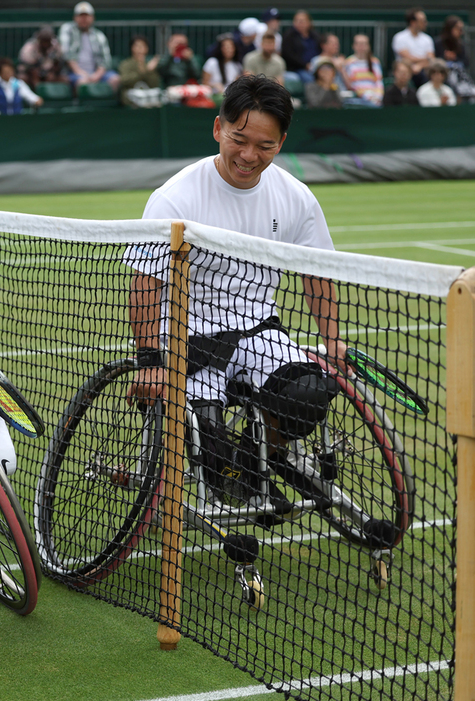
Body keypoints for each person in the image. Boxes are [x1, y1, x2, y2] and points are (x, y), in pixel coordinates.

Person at [124, 73, 346, 510]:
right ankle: (239, 466)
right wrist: (150, 361)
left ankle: (258, 459)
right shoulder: (174, 198)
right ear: (218, 129)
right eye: (239, 139)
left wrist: (333, 339)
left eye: (265, 146)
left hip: (260, 333)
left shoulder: (297, 198)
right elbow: (146, 282)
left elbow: (316, 272)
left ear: (281, 142)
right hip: (187, 343)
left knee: (310, 393)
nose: (249, 156)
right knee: (209, 447)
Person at [58, 1, 120, 91]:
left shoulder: (99, 36)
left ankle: (107, 104)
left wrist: (96, 75)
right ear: (75, 18)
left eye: (87, 16)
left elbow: (106, 61)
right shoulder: (67, 30)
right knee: (83, 82)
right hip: (73, 73)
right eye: (81, 16)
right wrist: (81, 73)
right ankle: (79, 104)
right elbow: (66, 55)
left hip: (95, 72)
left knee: (115, 79)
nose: (84, 19)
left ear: (92, 18)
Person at [436, 16, 475, 104]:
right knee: (454, 69)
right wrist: (445, 57)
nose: (461, 32)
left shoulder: (461, 44)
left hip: (459, 74)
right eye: (459, 29)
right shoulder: (439, 42)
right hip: (444, 73)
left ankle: (470, 94)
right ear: (450, 29)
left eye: (462, 29)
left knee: (457, 69)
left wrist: (454, 58)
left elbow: (466, 62)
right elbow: (435, 60)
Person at [391, 7, 435, 87]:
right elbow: (408, 58)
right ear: (413, 22)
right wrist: (425, 59)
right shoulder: (399, 37)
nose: (425, 23)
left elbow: (431, 59)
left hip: (424, 70)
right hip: (407, 70)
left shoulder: (427, 39)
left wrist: (419, 66)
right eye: (422, 21)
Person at [17, 25, 67, 91]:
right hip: (30, 74)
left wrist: (53, 71)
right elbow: (28, 67)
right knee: (23, 78)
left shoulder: (56, 45)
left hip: (49, 73)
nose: (45, 44)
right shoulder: (29, 47)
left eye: (47, 41)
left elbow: (59, 62)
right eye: (43, 41)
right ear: (39, 38)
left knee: (64, 79)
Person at [341, 34, 383, 107]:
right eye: (359, 44)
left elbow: (378, 82)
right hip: (357, 99)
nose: (361, 46)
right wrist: (364, 94)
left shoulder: (375, 62)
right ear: (354, 46)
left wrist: (378, 97)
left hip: (375, 99)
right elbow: (350, 85)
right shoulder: (348, 62)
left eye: (364, 44)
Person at [119, 35, 161, 106]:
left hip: (149, 98)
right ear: (132, 48)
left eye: (143, 46)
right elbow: (125, 81)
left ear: (147, 49)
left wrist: (149, 70)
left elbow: (155, 84)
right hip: (131, 98)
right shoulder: (126, 64)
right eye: (137, 46)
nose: (140, 49)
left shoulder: (150, 64)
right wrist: (143, 71)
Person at [282, 10, 322, 84]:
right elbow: (289, 55)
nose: (299, 23)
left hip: (316, 66)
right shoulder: (289, 36)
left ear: (309, 22)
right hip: (298, 68)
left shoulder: (315, 36)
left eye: (302, 21)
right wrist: (305, 65)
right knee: (310, 79)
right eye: (296, 20)